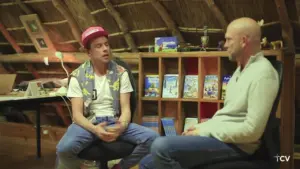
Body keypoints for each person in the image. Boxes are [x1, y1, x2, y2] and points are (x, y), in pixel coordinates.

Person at [139, 17, 280, 169]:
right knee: (147, 163)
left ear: (243, 41)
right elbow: (229, 116)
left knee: (161, 146)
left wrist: (205, 131)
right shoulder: (241, 71)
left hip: (239, 146)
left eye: (228, 40)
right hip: (222, 138)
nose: (225, 45)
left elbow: (252, 132)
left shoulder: (263, 73)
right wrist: (201, 127)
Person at [56, 26, 159, 169]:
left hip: (114, 121)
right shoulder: (77, 76)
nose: (105, 49)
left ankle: (120, 167)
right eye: (98, 46)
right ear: (89, 52)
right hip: (88, 123)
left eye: (106, 44)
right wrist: (94, 129)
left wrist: (121, 126)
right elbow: (77, 116)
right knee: (64, 149)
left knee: (153, 138)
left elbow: (126, 109)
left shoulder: (121, 73)